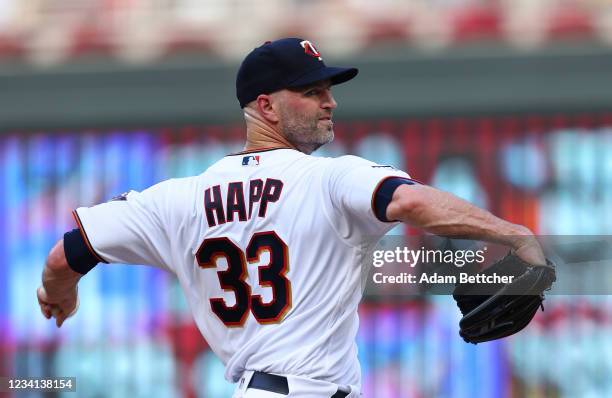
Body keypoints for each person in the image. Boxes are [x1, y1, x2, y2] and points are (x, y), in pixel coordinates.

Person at [38, 38, 546, 397]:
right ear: (266, 107)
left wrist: (59, 291)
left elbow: (66, 254)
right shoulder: (328, 179)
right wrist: (512, 231)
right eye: (311, 92)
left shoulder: (177, 200)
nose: (330, 101)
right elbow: (409, 202)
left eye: (327, 89)